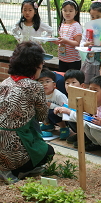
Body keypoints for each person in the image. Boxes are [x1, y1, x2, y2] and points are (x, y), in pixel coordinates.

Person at [0, 41, 55, 183]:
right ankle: (16, 170)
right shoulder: (34, 86)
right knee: (48, 152)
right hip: (12, 147)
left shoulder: (6, 82)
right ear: (35, 66)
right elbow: (42, 116)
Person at [38, 68, 69, 140]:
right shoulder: (40, 93)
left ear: (54, 84)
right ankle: (47, 124)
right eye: (41, 82)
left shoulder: (58, 95)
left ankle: (64, 128)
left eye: (47, 81)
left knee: (51, 111)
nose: (44, 84)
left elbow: (67, 108)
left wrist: (51, 105)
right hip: (50, 116)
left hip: (63, 117)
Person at [80, 1, 101, 85]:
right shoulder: (88, 28)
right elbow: (81, 43)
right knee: (88, 83)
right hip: (90, 62)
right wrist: (86, 44)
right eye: (92, 17)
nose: (95, 20)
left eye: (98, 17)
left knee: (100, 85)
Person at [54, 0, 82, 72]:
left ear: (76, 12)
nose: (67, 13)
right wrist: (54, 40)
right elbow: (61, 41)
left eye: (70, 11)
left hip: (73, 60)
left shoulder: (76, 26)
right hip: (62, 58)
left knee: (72, 80)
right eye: (65, 10)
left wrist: (66, 41)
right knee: (62, 78)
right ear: (62, 11)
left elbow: (77, 43)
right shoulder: (62, 24)